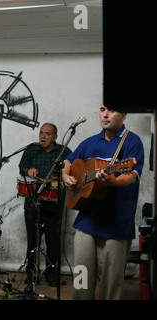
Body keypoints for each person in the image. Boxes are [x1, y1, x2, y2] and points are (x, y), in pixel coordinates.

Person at [62, 103, 144, 300]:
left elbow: (132, 175)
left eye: (112, 110)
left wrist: (113, 180)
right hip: (86, 221)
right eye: (102, 110)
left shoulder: (132, 141)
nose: (105, 115)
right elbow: (68, 161)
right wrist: (65, 175)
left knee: (110, 285)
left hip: (116, 225)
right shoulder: (90, 142)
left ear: (123, 115)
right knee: (81, 276)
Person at [18, 123, 71, 287]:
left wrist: (60, 178)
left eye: (47, 134)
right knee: (33, 241)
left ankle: (51, 274)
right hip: (33, 202)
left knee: (53, 241)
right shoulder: (31, 149)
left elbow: (72, 172)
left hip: (54, 204)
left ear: (55, 137)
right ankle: (32, 274)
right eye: (41, 133)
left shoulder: (64, 152)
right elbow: (22, 168)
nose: (42, 136)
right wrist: (28, 170)